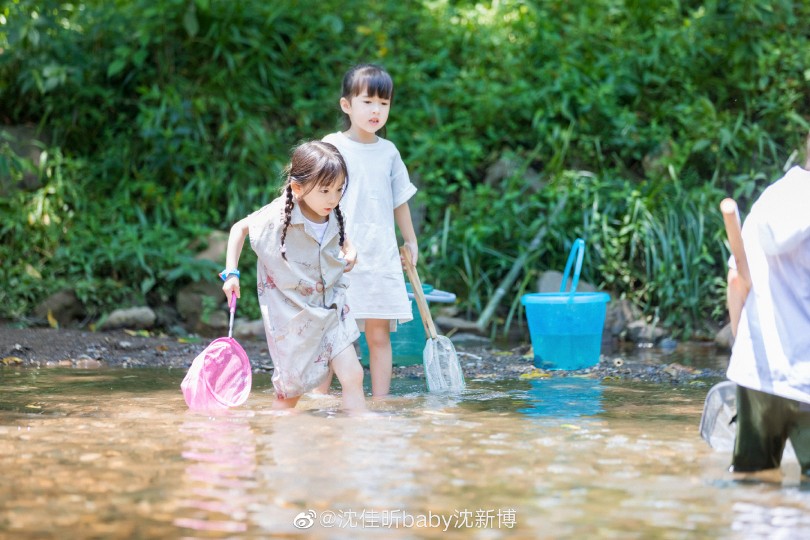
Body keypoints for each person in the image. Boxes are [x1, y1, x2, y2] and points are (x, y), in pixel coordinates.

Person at [220, 140, 366, 411]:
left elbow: (343, 239)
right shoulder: (279, 215)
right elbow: (239, 229)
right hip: (295, 315)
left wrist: (351, 250)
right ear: (298, 188)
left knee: (353, 375)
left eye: (338, 189)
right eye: (325, 190)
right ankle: (281, 442)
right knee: (290, 395)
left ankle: (360, 430)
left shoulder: (332, 210)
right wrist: (231, 274)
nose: (333, 198)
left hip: (332, 306)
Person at [319, 63, 419, 397]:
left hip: (380, 255)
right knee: (333, 331)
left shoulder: (389, 152)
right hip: (338, 255)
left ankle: (380, 403)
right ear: (347, 105)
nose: (376, 110)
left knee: (379, 334)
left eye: (384, 103)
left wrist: (411, 240)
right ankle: (318, 398)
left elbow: (399, 200)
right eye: (368, 102)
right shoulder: (331, 146)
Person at [725, 137, 810, 478]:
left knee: (750, 482)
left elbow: (736, 282)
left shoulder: (770, 200)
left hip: (756, 372)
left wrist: (741, 347)